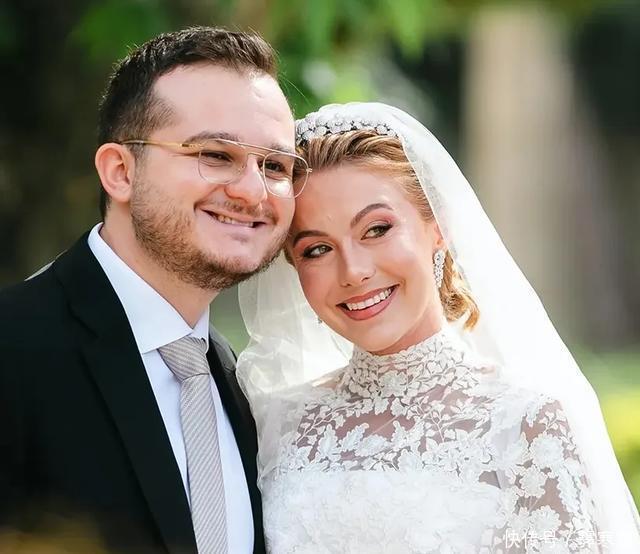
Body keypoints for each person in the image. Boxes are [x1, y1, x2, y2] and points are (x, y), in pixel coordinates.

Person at [237, 102, 640, 553]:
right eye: (317, 249)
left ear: (438, 227)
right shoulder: (274, 423)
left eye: (377, 229)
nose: (353, 271)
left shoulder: (525, 422)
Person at [0, 27, 310, 554]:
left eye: (275, 166)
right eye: (216, 154)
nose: (252, 190)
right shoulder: (12, 348)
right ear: (120, 171)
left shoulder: (240, 384)